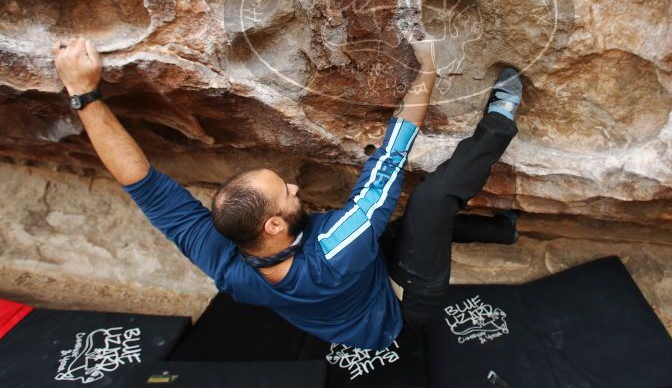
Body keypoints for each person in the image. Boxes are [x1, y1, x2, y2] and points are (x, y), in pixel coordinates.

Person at [52, 35, 521, 350]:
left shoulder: (224, 258)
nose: (296, 186)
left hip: (350, 298)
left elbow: (142, 184)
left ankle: (502, 231)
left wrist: (83, 93)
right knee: (430, 203)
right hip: (397, 307)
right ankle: (503, 115)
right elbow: (389, 160)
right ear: (273, 225)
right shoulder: (338, 248)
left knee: (407, 231)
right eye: (287, 193)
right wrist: (429, 71)